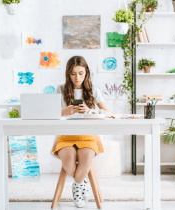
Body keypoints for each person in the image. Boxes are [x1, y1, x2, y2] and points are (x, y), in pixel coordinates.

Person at [50, 56, 110, 208]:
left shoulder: (93, 90)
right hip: (66, 135)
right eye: (73, 73)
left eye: (81, 73)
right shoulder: (60, 89)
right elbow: (49, 112)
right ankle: (81, 182)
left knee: (85, 163)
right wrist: (65, 111)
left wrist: (90, 110)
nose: (77, 77)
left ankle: (77, 186)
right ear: (68, 74)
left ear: (86, 73)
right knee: (68, 163)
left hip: (88, 135)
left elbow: (107, 113)